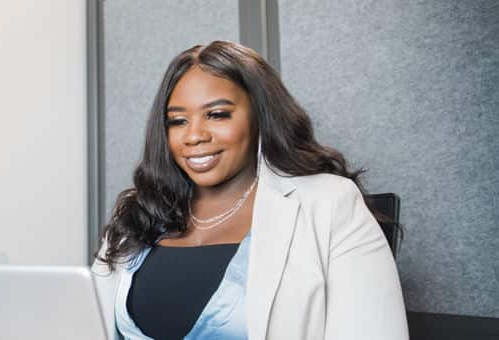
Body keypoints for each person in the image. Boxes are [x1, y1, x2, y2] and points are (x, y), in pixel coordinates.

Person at [92, 41, 407, 340]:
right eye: (177, 121)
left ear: (261, 117)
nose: (194, 136)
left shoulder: (330, 203)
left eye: (217, 114)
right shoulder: (138, 213)